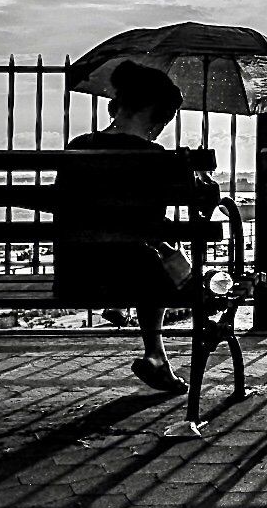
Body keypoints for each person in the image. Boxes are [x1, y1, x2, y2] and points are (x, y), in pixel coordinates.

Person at [53, 60, 196, 394]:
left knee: (141, 250)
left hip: (75, 273)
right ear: (156, 115)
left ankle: (156, 357)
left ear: (116, 107)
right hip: (134, 275)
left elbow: (67, 209)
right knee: (156, 257)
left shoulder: (78, 147)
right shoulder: (155, 157)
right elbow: (153, 224)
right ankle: (155, 354)